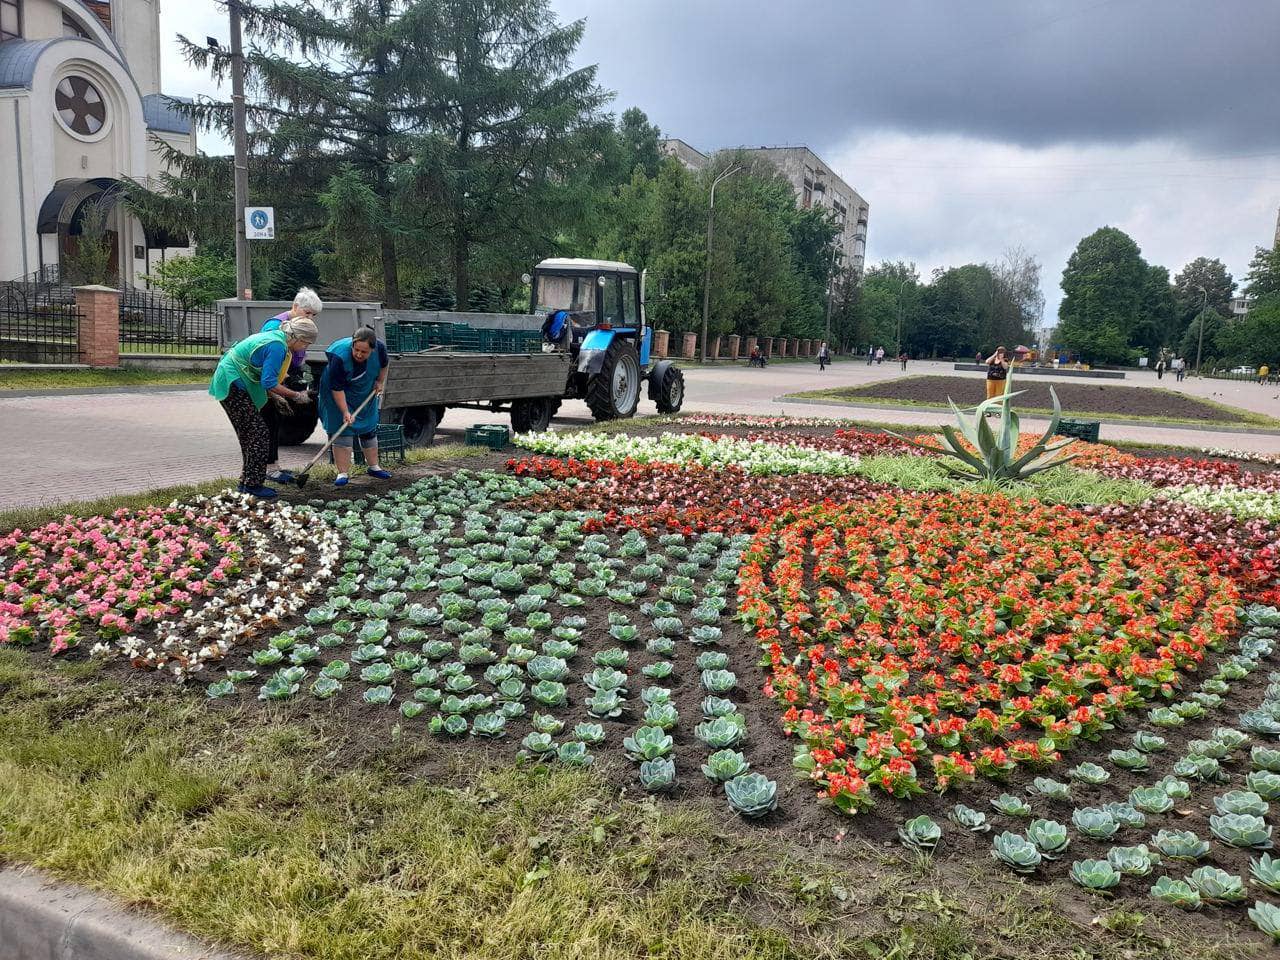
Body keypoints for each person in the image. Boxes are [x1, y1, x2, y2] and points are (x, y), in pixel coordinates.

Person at [210, 317, 318, 499]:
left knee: (250, 434)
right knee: (258, 434)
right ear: (298, 338)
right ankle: (253, 485)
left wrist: (275, 396)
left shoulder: (276, 338)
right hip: (232, 383)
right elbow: (268, 382)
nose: (305, 347)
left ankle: (246, 483)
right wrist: (296, 396)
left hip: (230, 381)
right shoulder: (278, 346)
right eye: (306, 343)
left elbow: (262, 374)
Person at [258, 287, 324, 483]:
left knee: (277, 421)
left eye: (314, 315)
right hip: (274, 378)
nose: (310, 317)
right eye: (307, 313)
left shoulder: (300, 326)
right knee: (269, 421)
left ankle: (274, 465)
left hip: (288, 373)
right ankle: (267, 468)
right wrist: (288, 387)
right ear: (295, 307)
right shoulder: (276, 326)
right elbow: (271, 362)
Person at [318, 326, 392, 487]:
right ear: (352, 344)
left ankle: (374, 467)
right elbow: (337, 388)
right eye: (356, 349)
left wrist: (380, 381)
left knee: (368, 428)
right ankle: (342, 473)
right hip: (336, 393)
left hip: (364, 390)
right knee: (343, 429)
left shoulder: (380, 349)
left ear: (372, 350)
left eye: (364, 352)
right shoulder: (338, 356)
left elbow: (385, 364)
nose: (358, 354)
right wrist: (345, 411)